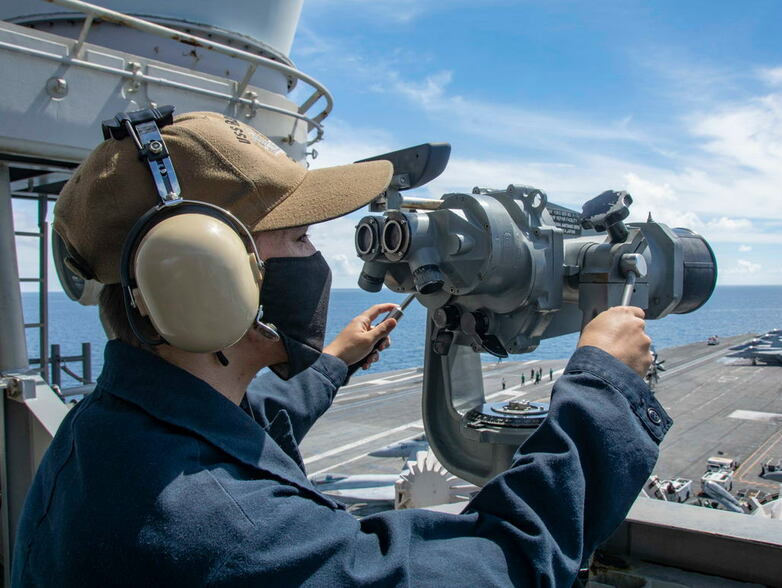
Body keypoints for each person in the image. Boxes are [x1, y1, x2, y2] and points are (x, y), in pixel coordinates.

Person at [12, 112, 671, 586]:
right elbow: (502, 565)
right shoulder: (223, 530)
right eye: (299, 238)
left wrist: (333, 363)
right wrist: (603, 389)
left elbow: (236, 436)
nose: (316, 260)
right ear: (207, 276)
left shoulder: (109, 432)